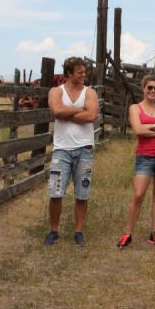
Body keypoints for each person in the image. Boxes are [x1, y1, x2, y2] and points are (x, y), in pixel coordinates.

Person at [44, 57, 100, 246]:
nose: (84, 75)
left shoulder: (89, 92)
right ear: (69, 73)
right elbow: (56, 111)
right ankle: (53, 230)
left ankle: (78, 231)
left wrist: (66, 113)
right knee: (55, 192)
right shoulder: (56, 91)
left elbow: (92, 115)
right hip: (62, 149)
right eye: (80, 72)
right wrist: (78, 110)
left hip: (84, 148)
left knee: (82, 193)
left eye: (84, 72)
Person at [118, 75, 155, 248]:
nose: (152, 91)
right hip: (144, 157)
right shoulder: (135, 108)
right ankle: (127, 233)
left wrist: (152, 127)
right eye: (149, 87)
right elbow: (138, 130)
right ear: (143, 89)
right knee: (138, 195)